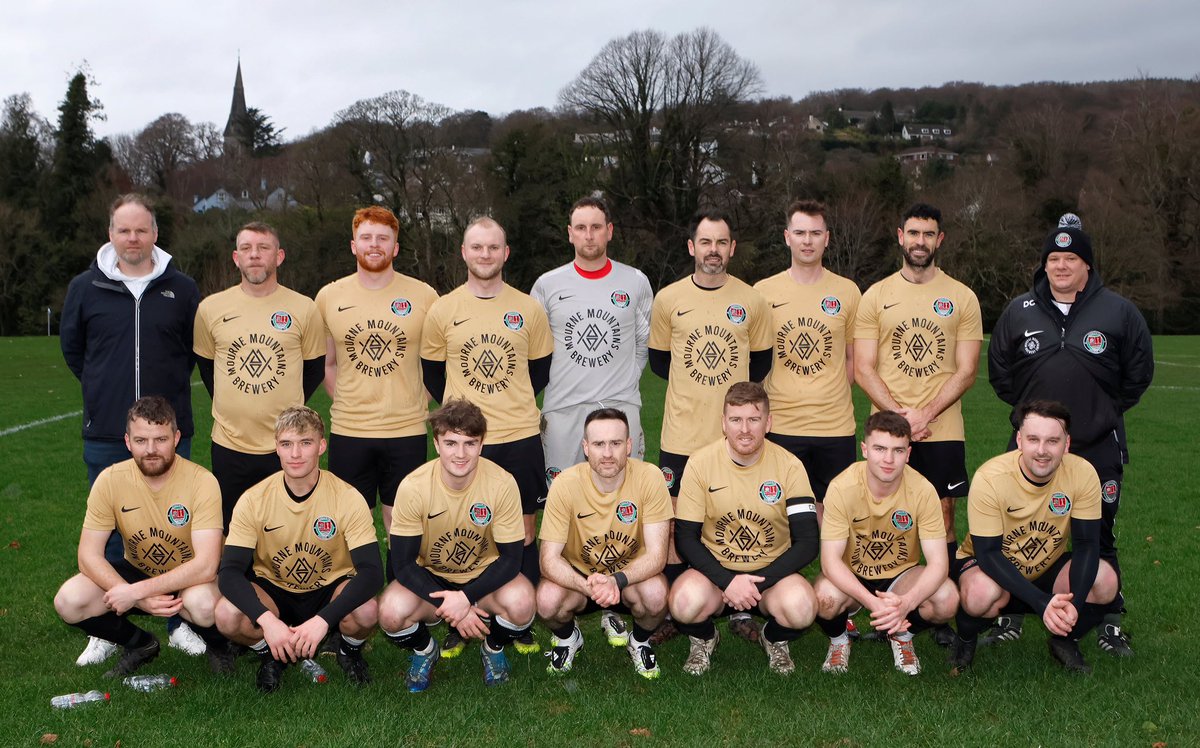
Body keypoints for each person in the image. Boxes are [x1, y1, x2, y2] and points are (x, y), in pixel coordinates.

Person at [986, 216, 1153, 656]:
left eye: (1071, 258)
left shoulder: (1118, 311)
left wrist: (1102, 412)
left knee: (1099, 532)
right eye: (1053, 259)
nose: (1061, 266)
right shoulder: (1018, 310)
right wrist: (1032, 422)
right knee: (1017, 530)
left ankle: (1107, 620)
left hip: (1096, 447)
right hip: (1032, 446)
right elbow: (1000, 375)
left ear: (1088, 267)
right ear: (1044, 266)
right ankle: (1013, 614)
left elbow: (1138, 375)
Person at [60, 193, 206, 664]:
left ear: (155, 234)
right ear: (110, 233)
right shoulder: (86, 287)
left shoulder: (181, 289)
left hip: (168, 434)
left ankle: (178, 620)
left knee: (175, 534)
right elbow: (75, 351)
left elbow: (192, 352)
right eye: (124, 229)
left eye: (141, 229)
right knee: (114, 534)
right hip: (106, 430)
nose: (133, 238)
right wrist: (106, 391)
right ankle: (110, 626)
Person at [420, 216, 552, 655]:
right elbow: (434, 375)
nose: (485, 255)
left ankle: (516, 622)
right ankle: (463, 619)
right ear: (463, 252)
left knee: (523, 532)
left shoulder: (528, 308)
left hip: (518, 435)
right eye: (477, 247)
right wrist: (464, 420)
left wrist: (506, 405)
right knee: (466, 532)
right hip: (465, 440)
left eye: (493, 247)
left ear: (505, 252)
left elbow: (539, 372)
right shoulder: (443, 309)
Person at [853, 203, 982, 643]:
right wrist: (900, 422)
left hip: (941, 429)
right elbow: (863, 368)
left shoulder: (962, 296)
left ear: (940, 239)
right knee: (883, 520)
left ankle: (935, 616)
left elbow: (966, 370)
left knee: (942, 517)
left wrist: (924, 415)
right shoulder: (876, 295)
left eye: (929, 233)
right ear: (899, 235)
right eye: (913, 233)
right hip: (888, 433)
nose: (920, 241)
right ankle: (883, 607)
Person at [531, 195, 653, 645]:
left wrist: (616, 391)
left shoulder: (635, 282)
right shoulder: (547, 284)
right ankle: (577, 598)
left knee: (622, 509)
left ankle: (616, 600)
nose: (588, 235)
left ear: (610, 231)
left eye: (596, 227)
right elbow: (537, 349)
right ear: (569, 233)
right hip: (563, 413)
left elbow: (641, 346)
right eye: (580, 227)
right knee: (567, 512)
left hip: (619, 410)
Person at [649, 209, 772, 641]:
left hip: (734, 438)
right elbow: (661, 363)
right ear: (691, 247)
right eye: (706, 242)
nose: (713, 251)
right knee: (675, 525)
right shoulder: (668, 299)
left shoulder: (752, 301)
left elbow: (759, 365)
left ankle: (740, 609)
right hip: (681, 434)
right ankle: (681, 613)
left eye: (721, 243)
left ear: (732, 248)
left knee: (737, 516)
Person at [53, 397, 232, 678]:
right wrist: (136, 596)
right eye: (141, 440)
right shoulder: (110, 480)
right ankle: (141, 645)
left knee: (204, 605)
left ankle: (220, 647)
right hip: (138, 569)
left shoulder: (202, 481)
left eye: (160, 439)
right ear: (127, 441)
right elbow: (87, 556)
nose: (151, 450)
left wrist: (137, 594)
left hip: (189, 577)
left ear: (176, 438)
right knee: (69, 600)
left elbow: (207, 564)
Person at [215, 406, 382, 692]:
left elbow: (372, 572)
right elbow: (229, 572)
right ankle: (271, 652)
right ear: (276, 448)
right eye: (287, 444)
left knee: (367, 610)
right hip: (275, 591)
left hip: (329, 591)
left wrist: (322, 621)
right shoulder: (254, 499)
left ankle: (349, 651)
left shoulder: (347, 497)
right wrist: (268, 622)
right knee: (226, 615)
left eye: (305, 443)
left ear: (321, 446)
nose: (295, 454)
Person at [948, 400, 1119, 674]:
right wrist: (1041, 603)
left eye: (1052, 441)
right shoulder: (991, 477)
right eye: (1033, 439)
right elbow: (988, 554)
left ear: (1067, 443)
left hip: (1046, 565)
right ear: (1019, 440)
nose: (1042, 450)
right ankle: (966, 638)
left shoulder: (1083, 472)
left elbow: (1087, 545)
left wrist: (1073, 606)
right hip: (991, 567)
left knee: (1106, 580)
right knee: (981, 594)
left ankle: (1064, 638)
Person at [378, 399, 535, 691]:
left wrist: (466, 597)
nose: (460, 454)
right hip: (432, 579)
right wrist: (452, 604)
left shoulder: (502, 483)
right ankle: (425, 651)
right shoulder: (414, 487)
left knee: (523, 602)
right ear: (436, 444)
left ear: (481, 444)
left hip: (485, 577)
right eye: (451, 443)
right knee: (390, 610)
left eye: (469, 443)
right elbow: (401, 564)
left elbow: (512, 559)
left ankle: (493, 649)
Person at [668, 382, 818, 676]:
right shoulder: (700, 463)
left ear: (768, 422)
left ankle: (773, 639)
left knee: (801, 608)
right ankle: (705, 637)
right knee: (683, 602)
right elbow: (685, 538)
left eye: (754, 419)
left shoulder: (790, 466)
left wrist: (754, 585)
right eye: (736, 420)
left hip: (770, 575)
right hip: (715, 575)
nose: (745, 429)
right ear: (723, 423)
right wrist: (727, 581)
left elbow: (808, 541)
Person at [315, 206, 438, 537]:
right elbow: (326, 364)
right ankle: (358, 591)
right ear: (353, 245)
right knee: (350, 528)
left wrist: (416, 398)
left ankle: (403, 589)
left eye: (383, 238)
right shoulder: (329, 296)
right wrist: (349, 400)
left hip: (407, 431)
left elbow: (436, 365)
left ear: (395, 248)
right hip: (350, 431)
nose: (374, 244)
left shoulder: (424, 295)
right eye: (366, 237)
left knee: (403, 526)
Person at [194, 221, 326, 528]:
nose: (255, 255)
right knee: (231, 528)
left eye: (263, 248)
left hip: (284, 444)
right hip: (230, 443)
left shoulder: (303, 308)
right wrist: (234, 405)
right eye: (246, 248)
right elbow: (206, 366)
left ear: (279, 257)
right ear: (236, 258)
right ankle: (232, 578)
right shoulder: (210, 308)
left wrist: (286, 412)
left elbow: (315, 369)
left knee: (286, 528)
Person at [812, 411, 958, 676]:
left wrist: (906, 602)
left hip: (900, 577)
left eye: (898, 450)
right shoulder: (842, 487)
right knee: (823, 598)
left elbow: (939, 564)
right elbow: (830, 561)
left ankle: (902, 635)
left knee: (946, 598)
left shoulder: (923, 490)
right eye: (880, 449)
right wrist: (872, 602)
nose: (889, 459)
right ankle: (838, 640)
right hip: (852, 573)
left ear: (909, 453)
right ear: (865, 449)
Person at [537, 408, 672, 679]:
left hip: (628, 580)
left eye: (616, 443)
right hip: (581, 582)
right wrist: (585, 584)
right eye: (599, 444)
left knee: (657, 595)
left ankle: (640, 641)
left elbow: (658, 556)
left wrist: (616, 581)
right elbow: (548, 559)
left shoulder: (650, 477)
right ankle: (568, 639)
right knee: (547, 600)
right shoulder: (564, 484)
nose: (608, 453)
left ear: (629, 445)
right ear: (586, 447)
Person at [754, 199, 861, 515]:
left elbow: (854, 357)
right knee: (778, 516)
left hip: (835, 427)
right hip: (781, 424)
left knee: (833, 518)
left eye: (815, 233)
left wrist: (829, 393)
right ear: (787, 236)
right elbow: (756, 361)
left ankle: (830, 569)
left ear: (827, 238)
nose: (807, 240)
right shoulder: (762, 292)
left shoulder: (848, 292)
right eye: (800, 232)